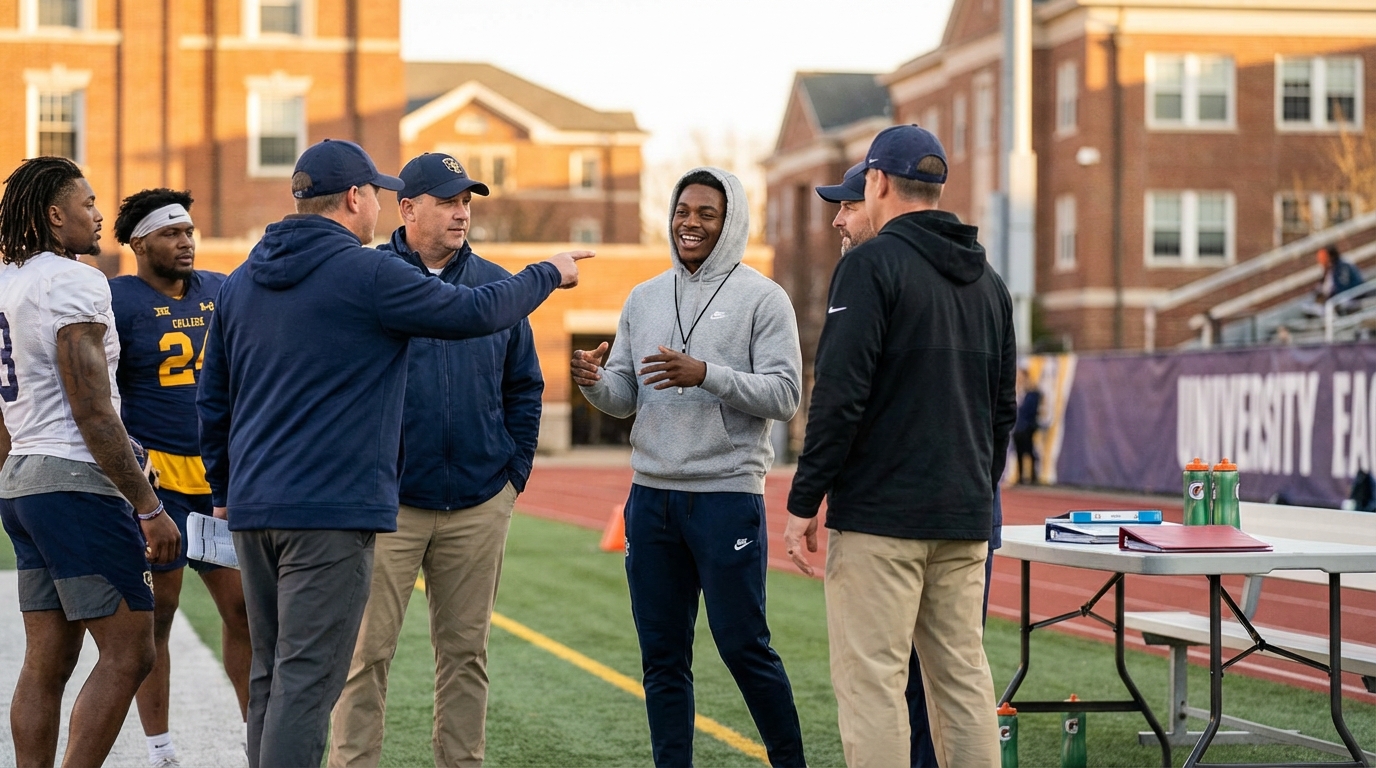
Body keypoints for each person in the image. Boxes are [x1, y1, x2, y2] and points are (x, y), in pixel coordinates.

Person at [197, 139, 591, 768]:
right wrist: (549, 271)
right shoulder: (368, 271)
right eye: (376, 195)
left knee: (272, 673)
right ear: (357, 198)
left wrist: (222, 490)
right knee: (312, 679)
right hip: (332, 510)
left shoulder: (242, 280)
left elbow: (212, 398)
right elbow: (473, 312)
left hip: (253, 508)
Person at [785, 125, 1016, 767]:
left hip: (882, 522)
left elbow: (839, 396)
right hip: (962, 517)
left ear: (878, 182)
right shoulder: (990, 283)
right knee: (962, 683)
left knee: (873, 688)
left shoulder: (869, 266)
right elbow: (1003, 411)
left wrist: (804, 500)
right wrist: (974, 487)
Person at [571, 167, 806, 768]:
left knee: (743, 645)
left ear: (732, 222)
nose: (690, 223)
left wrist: (706, 374)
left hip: (726, 496)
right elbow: (628, 395)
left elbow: (785, 396)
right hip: (650, 499)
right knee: (662, 656)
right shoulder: (643, 297)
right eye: (683, 211)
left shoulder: (764, 297)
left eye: (706, 213)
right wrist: (597, 383)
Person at [328, 154, 543, 767]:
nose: (461, 212)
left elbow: (523, 386)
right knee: (364, 655)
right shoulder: (365, 277)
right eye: (449, 201)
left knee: (466, 655)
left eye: (467, 202)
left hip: (479, 500)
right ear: (407, 208)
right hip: (387, 503)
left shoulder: (497, 286)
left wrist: (512, 476)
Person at [0, 156, 180, 768]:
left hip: (24, 476)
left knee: (46, 662)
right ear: (55, 216)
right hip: (74, 478)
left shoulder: (6, 279)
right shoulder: (74, 282)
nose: (99, 214)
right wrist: (149, 505)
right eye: (88, 203)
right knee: (132, 651)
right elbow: (93, 410)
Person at [108, 188, 251, 767]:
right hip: (156, 478)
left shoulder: (223, 289)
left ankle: (255, 734)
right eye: (171, 233)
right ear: (140, 243)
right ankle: (160, 748)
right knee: (154, 620)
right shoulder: (116, 300)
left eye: (189, 231)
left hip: (220, 477)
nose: (186, 241)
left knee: (244, 611)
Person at [1012, 367, 1043, 485]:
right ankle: (1020, 477)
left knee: (1029, 451)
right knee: (1019, 452)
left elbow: (1031, 411)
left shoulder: (1032, 394)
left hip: (1027, 428)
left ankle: (1033, 476)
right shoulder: (1017, 394)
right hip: (1017, 428)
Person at [1316, 244, 1364, 314]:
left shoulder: (1342, 267)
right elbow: (1321, 289)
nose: (1321, 261)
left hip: (1352, 297)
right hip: (1334, 301)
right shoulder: (1328, 271)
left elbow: (1343, 287)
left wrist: (1329, 296)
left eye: (1323, 258)